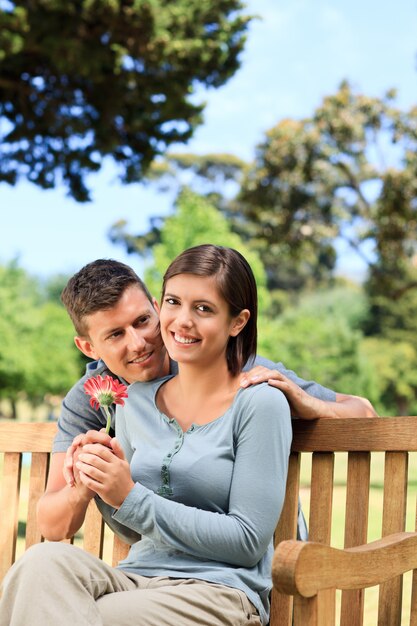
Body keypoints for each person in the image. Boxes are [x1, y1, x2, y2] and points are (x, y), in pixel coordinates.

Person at [1, 245, 293, 625]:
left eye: (203, 309)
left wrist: (130, 495)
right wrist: (101, 481)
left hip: (218, 590)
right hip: (137, 578)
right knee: (38, 566)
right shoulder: (130, 401)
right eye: (175, 302)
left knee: (90, 615)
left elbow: (248, 541)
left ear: (236, 322)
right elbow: (115, 525)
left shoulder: (261, 398)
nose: (182, 322)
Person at [36, 257, 377, 542]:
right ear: (88, 347)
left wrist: (308, 404)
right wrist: (83, 484)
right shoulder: (91, 398)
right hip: (154, 568)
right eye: (115, 334)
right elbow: (53, 525)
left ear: (157, 309)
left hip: (251, 563)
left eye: (143, 321)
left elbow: (364, 412)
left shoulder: (232, 366)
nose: (138, 343)